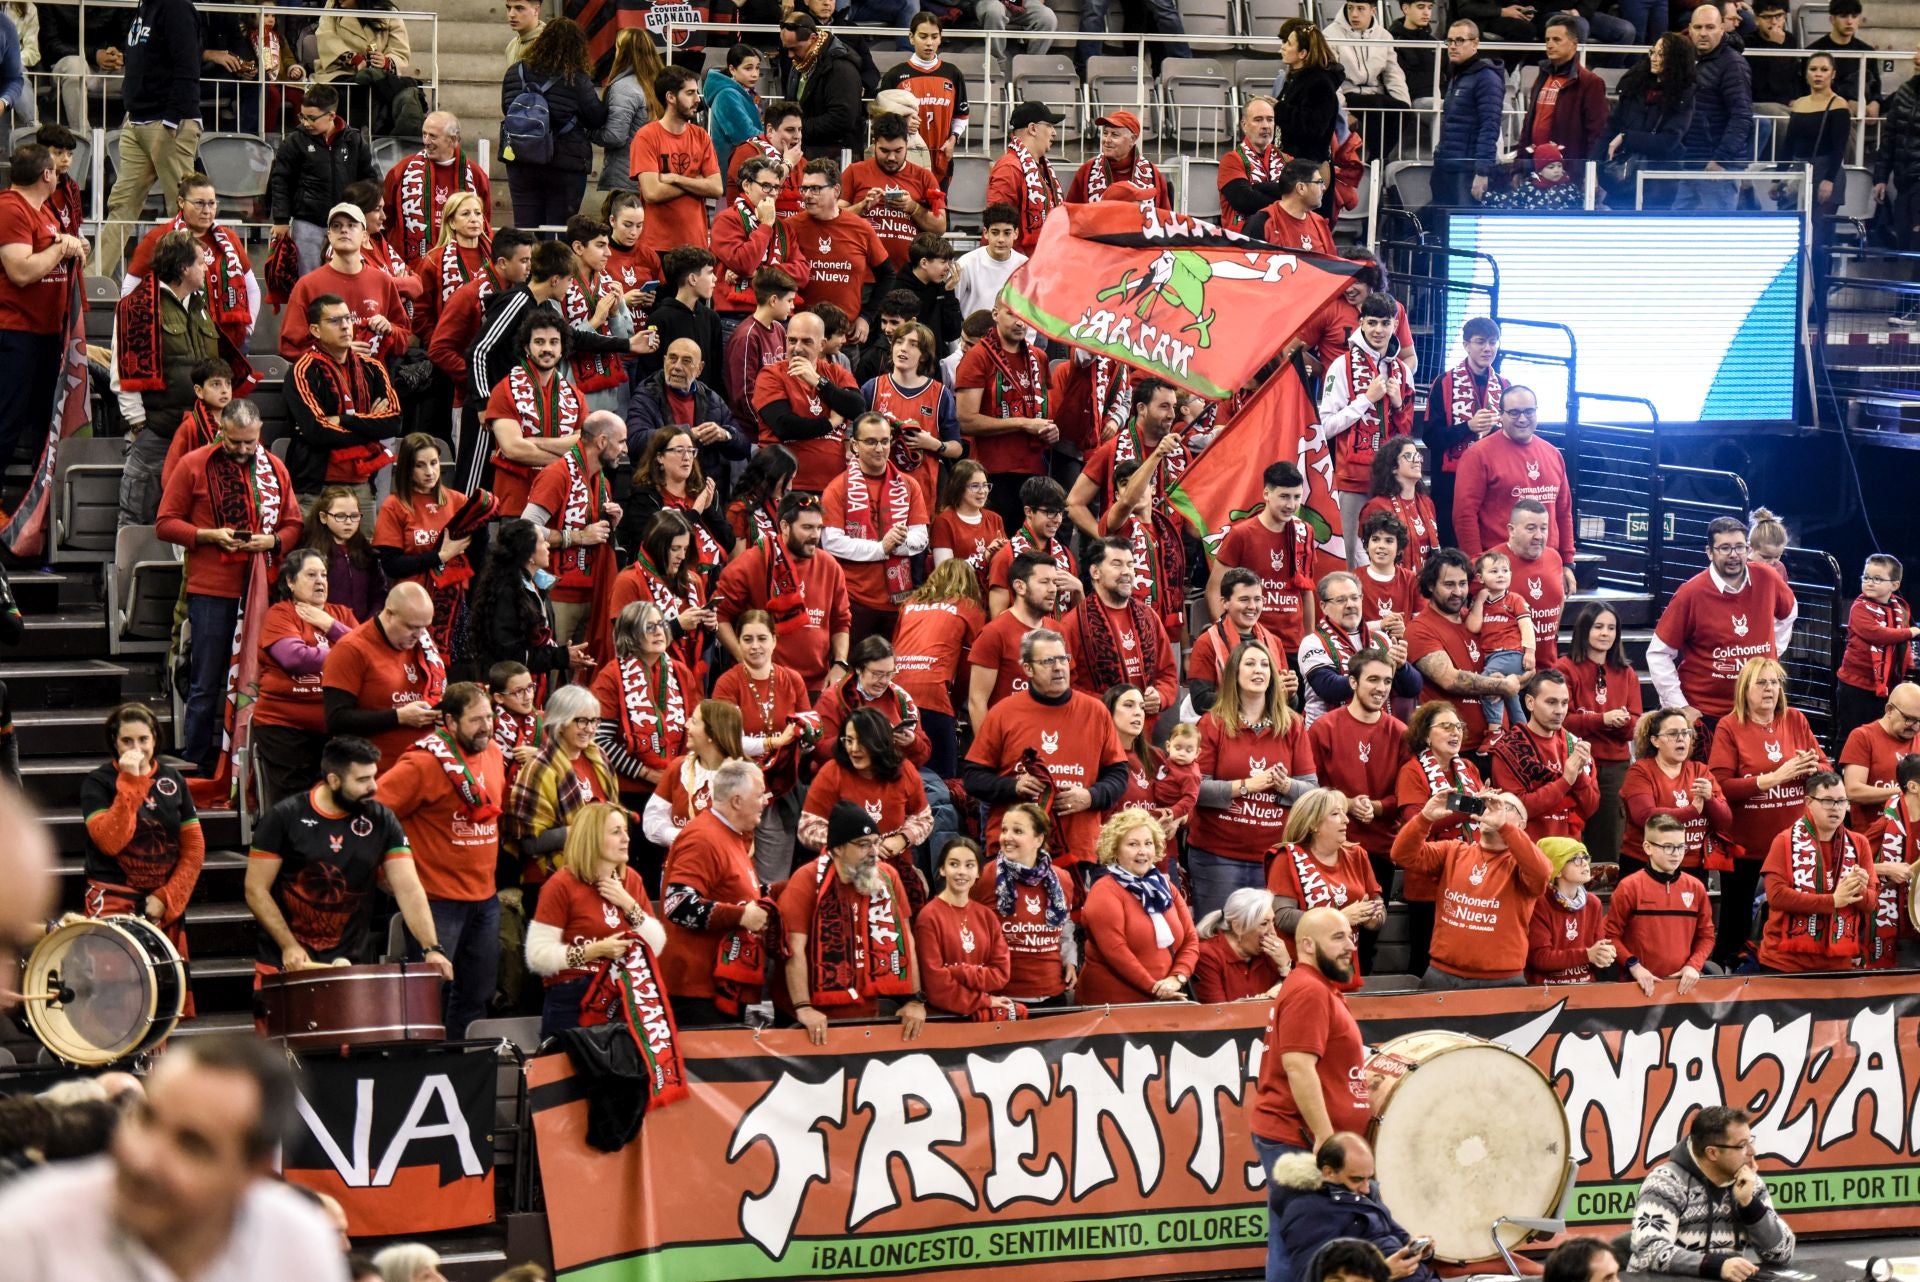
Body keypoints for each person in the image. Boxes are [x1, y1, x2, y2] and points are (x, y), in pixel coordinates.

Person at [0, 1037, 348, 1280]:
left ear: (252, 1173)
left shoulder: (298, 1245)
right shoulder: (28, 1233)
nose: (143, 1158)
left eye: (192, 1145)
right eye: (145, 1118)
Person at [155, 405, 304, 773]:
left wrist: (271, 542)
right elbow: (164, 523)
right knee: (207, 678)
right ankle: (197, 759)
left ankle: (247, 758)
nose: (241, 449)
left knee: (257, 677)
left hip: (263, 588)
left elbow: (293, 523)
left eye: (249, 442)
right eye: (234, 441)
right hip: (212, 590)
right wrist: (207, 536)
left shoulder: (274, 468)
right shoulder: (193, 464)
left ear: (261, 431)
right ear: (221, 429)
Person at [246, 735, 450, 981]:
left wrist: (432, 948)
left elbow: (408, 887)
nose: (374, 787)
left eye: (373, 776)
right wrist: (288, 945)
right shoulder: (284, 817)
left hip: (351, 965)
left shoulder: (382, 820)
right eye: (363, 780)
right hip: (286, 962)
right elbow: (255, 889)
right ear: (333, 780)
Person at [374, 682, 505, 1041]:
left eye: (490, 717)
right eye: (476, 720)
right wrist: (384, 869)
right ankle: (424, 1064)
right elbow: (373, 813)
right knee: (430, 996)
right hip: (435, 901)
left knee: (478, 992)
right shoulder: (421, 762)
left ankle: (463, 1062)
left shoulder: (493, 752)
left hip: (485, 897)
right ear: (449, 721)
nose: (487, 726)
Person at [1247, 906, 1367, 1282]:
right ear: (1308, 945)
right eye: (1339, 938)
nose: (1350, 946)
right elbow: (1298, 1067)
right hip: (1297, 1138)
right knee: (1307, 1246)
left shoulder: (1317, 987)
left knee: (1297, 1241)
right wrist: (1325, 1137)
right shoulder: (1309, 991)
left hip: (1296, 1135)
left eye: (1350, 936)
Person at [964, 628, 1128, 871]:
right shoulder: (1003, 712)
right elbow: (972, 777)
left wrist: (1091, 796)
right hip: (1014, 851)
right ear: (1027, 669)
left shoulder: (1096, 711)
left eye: (1063, 659)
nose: (1059, 667)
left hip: (1078, 850)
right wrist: (1013, 786)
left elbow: (1119, 774)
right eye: (1048, 661)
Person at [79, 703, 204, 1010]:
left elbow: (194, 847)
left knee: (162, 1000)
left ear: (155, 740)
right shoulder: (97, 783)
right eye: (128, 741)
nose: (137, 748)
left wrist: (167, 897)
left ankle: (157, 1060)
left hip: (161, 905)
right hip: (114, 900)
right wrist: (131, 782)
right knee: (116, 1002)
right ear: (114, 742)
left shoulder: (172, 780)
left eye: (144, 740)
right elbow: (110, 840)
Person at [780, 800, 928, 1043]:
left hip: (872, 1013)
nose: (873, 852)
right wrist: (803, 1007)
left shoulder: (887, 876)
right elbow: (794, 949)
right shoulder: (806, 880)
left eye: (875, 843)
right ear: (837, 848)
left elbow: (906, 940)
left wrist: (914, 999)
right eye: (862, 845)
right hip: (818, 1020)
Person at [1191, 639, 1317, 919]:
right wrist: (1248, 785)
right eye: (1249, 663)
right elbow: (1195, 789)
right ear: (1234, 674)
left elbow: (1311, 791)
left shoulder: (1292, 724)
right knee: (1217, 939)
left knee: (1266, 942)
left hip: (1273, 858)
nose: (1258, 669)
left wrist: (1286, 786)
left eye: (1264, 664)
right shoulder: (1212, 723)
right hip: (1217, 856)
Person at [525, 800, 666, 1039]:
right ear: (591, 838)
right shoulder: (560, 885)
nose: (626, 838)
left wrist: (629, 904)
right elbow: (537, 957)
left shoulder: (631, 880)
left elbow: (657, 945)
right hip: (573, 997)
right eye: (615, 832)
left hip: (624, 993)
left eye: (625, 831)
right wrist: (595, 951)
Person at [1649, 518, 1798, 744]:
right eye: (1724, 548)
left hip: (1756, 712)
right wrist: (1681, 707)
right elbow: (1658, 653)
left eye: (1740, 547)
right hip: (1708, 717)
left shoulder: (1768, 578)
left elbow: (1789, 612)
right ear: (1709, 552)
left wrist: (1772, 653)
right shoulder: (1691, 593)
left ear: (1748, 549)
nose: (1734, 554)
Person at [113, 233, 221, 528]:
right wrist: (139, 425)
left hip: (202, 431)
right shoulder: (137, 306)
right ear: (184, 268)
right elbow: (122, 372)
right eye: (201, 263)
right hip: (158, 433)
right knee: (140, 516)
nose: (207, 269)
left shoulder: (201, 305)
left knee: (196, 519)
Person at [1394, 788, 1549, 988]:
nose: (1492, 810)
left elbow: (1541, 874)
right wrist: (1424, 818)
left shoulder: (1521, 864)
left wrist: (1504, 827)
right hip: (1442, 975)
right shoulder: (1454, 851)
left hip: (1500, 981)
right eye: (1487, 805)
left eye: (1506, 807)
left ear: (1522, 824)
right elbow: (1402, 855)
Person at [91, 0, 201, 276]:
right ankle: (93, 280)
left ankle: (197, 281)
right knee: (122, 203)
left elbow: (188, 65)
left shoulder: (175, 7)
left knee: (185, 208)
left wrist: (173, 118)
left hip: (168, 122)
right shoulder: (144, 7)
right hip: (137, 120)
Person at [657, 758, 770, 1025]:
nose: (765, 800)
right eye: (759, 794)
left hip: (720, 985)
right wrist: (740, 916)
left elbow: (735, 893)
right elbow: (677, 904)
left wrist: (786, 889)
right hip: (696, 993)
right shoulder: (702, 838)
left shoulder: (730, 834)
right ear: (737, 801)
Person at [0, 144, 87, 473]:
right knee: (6, 420)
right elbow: (20, 271)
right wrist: (61, 248)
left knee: (40, 422)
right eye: (56, 167)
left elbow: (56, 251)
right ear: (47, 174)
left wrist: (75, 247)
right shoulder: (10, 208)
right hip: (16, 332)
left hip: (47, 332)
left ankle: (32, 505)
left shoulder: (45, 210)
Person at [714, 492, 851, 696]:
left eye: (819, 528)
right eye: (807, 528)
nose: (815, 535)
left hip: (816, 686)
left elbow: (841, 621)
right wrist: (745, 661)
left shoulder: (829, 566)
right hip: (764, 682)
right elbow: (718, 615)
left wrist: (840, 663)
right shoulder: (752, 562)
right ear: (785, 527)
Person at [1629, 1106, 1796, 1275]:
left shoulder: (1748, 1183)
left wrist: (1750, 1205)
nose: (1753, 1151)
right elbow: (1650, 1252)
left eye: (1751, 1141)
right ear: (1712, 1153)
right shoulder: (1665, 1182)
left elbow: (1781, 1255)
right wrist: (1717, 1266)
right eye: (1742, 1145)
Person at [712, 610, 813, 883]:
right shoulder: (728, 682)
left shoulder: (792, 680)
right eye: (747, 639)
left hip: (780, 791)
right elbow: (726, 740)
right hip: (736, 791)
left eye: (761, 638)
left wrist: (807, 737)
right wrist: (775, 742)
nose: (755, 646)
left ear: (774, 641)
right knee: (735, 879)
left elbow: (808, 731)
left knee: (773, 881)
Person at [252, 548, 359, 806]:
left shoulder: (342, 614)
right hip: (285, 724)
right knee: (297, 804)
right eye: (311, 575)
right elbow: (295, 659)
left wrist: (330, 625)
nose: (320, 580)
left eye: (323, 574)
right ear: (290, 581)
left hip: (334, 724)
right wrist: (342, 653)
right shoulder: (281, 613)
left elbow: (368, 653)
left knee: (342, 797)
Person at [590, 601, 697, 854]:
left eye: (660, 624)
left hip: (675, 788)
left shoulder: (681, 672)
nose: (659, 632)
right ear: (629, 634)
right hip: (628, 793)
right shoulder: (610, 675)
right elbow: (599, 741)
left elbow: (695, 728)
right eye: (649, 627)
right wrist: (646, 773)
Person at [1308, 650, 1411, 900]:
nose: (1381, 688)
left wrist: (1376, 807)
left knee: (1370, 934)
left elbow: (1406, 795)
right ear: (1353, 682)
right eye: (1373, 679)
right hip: (1332, 848)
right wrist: (1346, 804)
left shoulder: (1401, 733)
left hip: (1380, 851)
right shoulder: (1324, 728)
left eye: (1387, 681)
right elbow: (1309, 791)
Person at [285, 293, 403, 511]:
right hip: (317, 487)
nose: (345, 326)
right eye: (334, 321)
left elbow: (393, 422)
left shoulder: (373, 367)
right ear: (315, 330)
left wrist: (342, 420)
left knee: (365, 545)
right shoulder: (302, 370)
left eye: (348, 319)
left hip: (363, 484)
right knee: (316, 546)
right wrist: (369, 426)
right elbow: (316, 431)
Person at [316, 581, 449, 773]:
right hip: (374, 775)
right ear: (389, 614)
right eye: (412, 627)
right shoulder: (351, 650)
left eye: (424, 627)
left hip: (422, 768)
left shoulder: (423, 645)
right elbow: (336, 720)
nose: (418, 634)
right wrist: (398, 717)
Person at [820, 412, 929, 639]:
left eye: (885, 441)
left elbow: (921, 536)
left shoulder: (909, 485)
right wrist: (880, 549)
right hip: (852, 599)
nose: (879, 449)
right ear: (854, 446)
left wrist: (896, 544)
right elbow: (831, 542)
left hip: (899, 598)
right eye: (871, 442)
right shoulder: (837, 488)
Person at [1273, 1134, 1436, 1282]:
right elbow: (1310, 1276)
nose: (1366, 1187)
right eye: (1357, 1179)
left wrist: (1421, 1250)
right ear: (1329, 1172)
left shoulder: (1365, 1192)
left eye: (1369, 1178)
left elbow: (1399, 1236)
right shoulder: (1307, 1211)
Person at [1075, 810, 1199, 1005]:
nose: (1143, 851)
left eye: (1148, 843)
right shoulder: (1104, 891)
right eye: (1133, 844)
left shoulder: (1166, 886)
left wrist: (1178, 977)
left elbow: (1191, 939)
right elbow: (1116, 953)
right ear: (1115, 850)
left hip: (1164, 999)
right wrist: (1155, 988)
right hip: (1112, 1009)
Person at [522, 409, 623, 647]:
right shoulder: (556, 475)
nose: (625, 449)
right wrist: (576, 537)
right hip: (558, 594)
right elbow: (525, 527)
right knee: (556, 676)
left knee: (582, 676)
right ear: (602, 442)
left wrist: (612, 525)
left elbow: (593, 533)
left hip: (594, 591)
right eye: (621, 441)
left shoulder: (602, 482)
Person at [1758, 770, 1876, 973]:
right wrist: (1832, 901)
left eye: (1841, 801)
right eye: (1828, 801)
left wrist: (1859, 890)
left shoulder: (1859, 843)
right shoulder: (1785, 840)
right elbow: (1776, 896)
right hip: (1785, 962)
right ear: (1808, 801)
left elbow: (1871, 903)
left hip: (1838, 963)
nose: (1836, 808)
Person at [505, 685, 619, 888]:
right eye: (582, 721)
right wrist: (588, 829)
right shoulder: (539, 767)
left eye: (594, 721)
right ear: (560, 722)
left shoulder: (599, 757)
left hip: (598, 874)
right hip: (550, 880)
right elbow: (530, 843)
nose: (590, 729)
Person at [501, 19, 609, 229]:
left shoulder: (515, 72)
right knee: (558, 232)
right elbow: (596, 117)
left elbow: (508, 109)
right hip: (565, 164)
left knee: (525, 230)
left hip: (520, 159)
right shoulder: (575, 78)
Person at [1556, 602, 1641, 867]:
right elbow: (1562, 721)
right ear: (1584, 630)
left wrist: (1622, 723)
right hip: (1572, 763)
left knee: (1608, 836)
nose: (1605, 633)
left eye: (1611, 628)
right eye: (1598, 627)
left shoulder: (1626, 673)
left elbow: (1635, 723)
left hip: (1614, 765)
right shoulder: (1565, 668)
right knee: (1571, 836)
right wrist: (1602, 719)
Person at [1267, 787, 1385, 976]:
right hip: (1303, 966)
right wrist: (1339, 918)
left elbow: (1377, 903)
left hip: (1345, 964)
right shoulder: (1287, 858)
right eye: (1336, 814)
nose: (1346, 820)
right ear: (1314, 823)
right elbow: (1283, 916)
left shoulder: (1358, 854)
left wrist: (1373, 918)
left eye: (1344, 813)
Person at [278, 203, 412, 368]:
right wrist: (335, 353)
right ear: (329, 235)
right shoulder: (307, 285)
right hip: (326, 385)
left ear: (364, 236)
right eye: (336, 226)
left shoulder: (383, 281)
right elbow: (289, 347)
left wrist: (389, 329)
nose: (343, 230)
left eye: (351, 225)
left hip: (373, 383)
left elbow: (404, 339)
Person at [264, 86, 377, 280]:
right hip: (308, 222)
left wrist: (368, 215)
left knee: (347, 279)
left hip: (346, 224)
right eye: (302, 116)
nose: (305, 122)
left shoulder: (354, 140)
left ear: (331, 115)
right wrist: (281, 220)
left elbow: (369, 179)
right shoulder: (294, 142)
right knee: (309, 280)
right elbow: (280, 181)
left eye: (311, 118)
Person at [750, 309, 867, 495]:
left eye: (806, 341)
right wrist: (830, 423)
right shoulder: (771, 375)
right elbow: (785, 426)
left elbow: (858, 407)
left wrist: (819, 382)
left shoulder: (835, 372)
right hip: (784, 487)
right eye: (792, 340)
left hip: (833, 488)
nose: (797, 348)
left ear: (822, 345)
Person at [1208, 462, 1319, 658]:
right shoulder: (1241, 534)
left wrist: (1309, 642)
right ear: (1266, 494)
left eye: (1296, 497)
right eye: (1284, 496)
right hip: (1252, 644)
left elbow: (1306, 592)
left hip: (1293, 646)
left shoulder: (1304, 531)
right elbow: (1214, 589)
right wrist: (1228, 639)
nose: (1291, 505)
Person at [1407, 549, 1514, 752]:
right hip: (1456, 750)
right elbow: (1450, 679)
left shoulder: (1476, 618)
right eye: (1449, 584)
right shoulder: (1419, 629)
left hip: (1499, 743)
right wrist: (1501, 685)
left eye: (1463, 583)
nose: (1458, 592)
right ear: (1431, 585)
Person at [1452, 386, 1574, 564]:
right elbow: (1464, 515)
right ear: (1501, 416)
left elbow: (1564, 512)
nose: (1523, 419)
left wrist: (1568, 562)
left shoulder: (1553, 454)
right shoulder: (1478, 455)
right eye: (1514, 412)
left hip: (1548, 563)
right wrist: (1476, 565)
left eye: (1529, 411)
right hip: (1499, 568)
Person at [1060, 537, 1178, 711]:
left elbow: (1168, 673)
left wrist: (1160, 696)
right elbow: (1066, 685)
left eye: (1130, 565)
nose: (1127, 572)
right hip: (1098, 727)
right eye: (1117, 564)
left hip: (1145, 731)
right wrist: (1109, 704)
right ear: (1095, 572)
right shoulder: (1072, 624)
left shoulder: (1149, 616)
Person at [1602, 813, 1715, 995]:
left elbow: (1707, 935)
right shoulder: (1629, 887)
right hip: (1637, 986)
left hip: (1682, 987)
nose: (1676, 854)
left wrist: (1694, 966)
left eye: (1680, 847)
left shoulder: (1696, 887)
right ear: (1648, 847)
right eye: (1668, 847)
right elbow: (1610, 935)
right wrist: (1634, 966)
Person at [1420, 316, 1506, 546]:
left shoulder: (1505, 386)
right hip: (1451, 484)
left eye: (1493, 342)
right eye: (1480, 342)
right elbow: (1430, 438)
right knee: (1454, 552)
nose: (1488, 348)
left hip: (1493, 481)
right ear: (1466, 345)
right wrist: (1468, 427)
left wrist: (1495, 428)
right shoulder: (1444, 383)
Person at [1489, 670, 1600, 842]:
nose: (1559, 711)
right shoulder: (1508, 749)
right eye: (1551, 702)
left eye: (1564, 703)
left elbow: (1590, 808)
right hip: (1529, 855)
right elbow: (1515, 809)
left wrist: (1579, 777)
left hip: (1570, 855)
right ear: (1530, 702)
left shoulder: (1575, 745)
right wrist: (1566, 781)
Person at [1623, 707, 1733, 876]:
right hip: (1646, 864)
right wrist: (1692, 811)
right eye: (1673, 733)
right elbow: (1645, 816)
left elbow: (1725, 821)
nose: (1681, 738)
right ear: (1655, 740)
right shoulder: (1640, 771)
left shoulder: (1701, 771)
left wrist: (1710, 799)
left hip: (1692, 865)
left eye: (1685, 733)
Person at [914, 838, 1016, 1020]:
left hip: (980, 1020)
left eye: (969, 865)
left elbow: (1000, 974)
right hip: (942, 1021)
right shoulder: (928, 917)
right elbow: (935, 985)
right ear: (942, 869)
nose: (961, 872)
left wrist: (958, 971)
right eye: (954, 864)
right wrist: (983, 1000)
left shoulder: (987, 916)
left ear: (978, 872)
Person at [1299, 573, 1417, 726]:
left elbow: (1412, 688)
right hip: (1327, 735)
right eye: (1341, 600)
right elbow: (1329, 687)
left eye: (1355, 598)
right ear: (1324, 607)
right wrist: (1375, 675)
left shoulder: (1381, 639)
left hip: (1377, 732)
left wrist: (1402, 668)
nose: (1350, 605)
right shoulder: (1313, 642)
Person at [841, 114, 947, 276]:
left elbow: (940, 227)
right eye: (884, 151)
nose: (891, 157)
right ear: (875, 144)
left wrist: (913, 208)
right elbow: (833, 218)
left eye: (898, 151)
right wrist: (861, 207)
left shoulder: (924, 177)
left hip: (906, 275)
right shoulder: (854, 172)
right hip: (862, 274)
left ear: (907, 144)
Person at [382, 112, 490, 269]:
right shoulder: (402, 170)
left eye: (432, 136)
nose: (426, 141)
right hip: (410, 268)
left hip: (460, 270)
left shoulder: (475, 175)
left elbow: (484, 219)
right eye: (424, 134)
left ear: (453, 140)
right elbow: (386, 216)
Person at [1602, 33, 1700, 204]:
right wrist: (1595, 166)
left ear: (1676, 59)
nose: (1654, 58)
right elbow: (1612, 126)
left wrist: (1627, 138)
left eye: (1661, 55)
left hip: (1658, 184)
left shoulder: (1684, 94)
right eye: (1653, 52)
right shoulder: (1635, 84)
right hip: (1623, 178)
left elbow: (1668, 141)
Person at [1674, 4, 1753, 211]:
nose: (1703, 33)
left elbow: (1742, 116)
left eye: (1710, 27)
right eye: (1698, 27)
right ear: (1689, 29)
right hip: (1690, 161)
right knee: (1679, 232)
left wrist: (1721, 160)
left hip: (1717, 166)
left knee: (1715, 233)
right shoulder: (1687, 60)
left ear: (1721, 29)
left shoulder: (1733, 64)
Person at [880, 15, 971, 185]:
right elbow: (879, 119)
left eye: (934, 37)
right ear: (911, 38)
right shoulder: (894, 76)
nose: (929, 43)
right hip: (904, 160)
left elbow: (962, 115)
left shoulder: (953, 74)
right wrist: (902, 122)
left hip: (941, 159)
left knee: (939, 209)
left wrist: (953, 140)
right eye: (923, 37)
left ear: (940, 39)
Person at [1836, 558, 1919, 738]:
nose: (1869, 582)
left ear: (1895, 585)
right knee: (1851, 734)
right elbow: (1878, 634)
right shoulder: (1859, 607)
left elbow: (1903, 646)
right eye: (1866, 577)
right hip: (1856, 685)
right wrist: (1910, 632)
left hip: (1886, 686)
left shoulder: (1900, 608)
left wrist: (1909, 668)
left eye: (1877, 579)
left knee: (1880, 736)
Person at [1518, 16, 1610, 172]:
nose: (1550, 45)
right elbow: (1527, 126)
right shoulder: (1542, 76)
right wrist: (1519, 168)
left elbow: (1596, 134)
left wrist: (1591, 173)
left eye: (1556, 40)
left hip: (1567, 171)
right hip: (1534, 169)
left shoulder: (1590, 82)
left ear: (1574, 44)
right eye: (1547, 40)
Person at [1326, 0, 1412, 166]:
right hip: (1347, 93)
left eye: (1360, 9)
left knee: (1402, 111)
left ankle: (1377, 159)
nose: (1354, 14)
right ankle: (1377, 163)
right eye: (1350, 8)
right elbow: (1330, 79)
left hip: (1374, 93)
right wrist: (1343, 111)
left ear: (1373, 10)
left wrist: (1404, 104)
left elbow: (1393, 73)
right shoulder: (1330, 34)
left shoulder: (1384, 36)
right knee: (1377, 107)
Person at [1433, 21, 1505, 208]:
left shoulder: (1486, 78)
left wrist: (1482, 171)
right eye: (1449, 41)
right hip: (1447, 167)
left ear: (1475, 43)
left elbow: (1490, 126)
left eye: (1459, 40)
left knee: (1464, 228)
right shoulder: (1459, 75)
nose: (1453, 46)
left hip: (1467, 171)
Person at [775, 12, 865, 162]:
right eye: (787, 49)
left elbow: (841, 119)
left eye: (795, 49)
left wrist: (795, 128)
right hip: (808, 153)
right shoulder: (800, 63)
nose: (790, 55)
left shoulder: (841, 68)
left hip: (836, 158)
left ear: (813, 39)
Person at [985, 476, 1080, 617]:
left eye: (1061, 512)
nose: (1058, 519)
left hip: (1063, 637)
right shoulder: (1006, 556)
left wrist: (1079, 589)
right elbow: (997, 618)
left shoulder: (1065, 555)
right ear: (1028, 511)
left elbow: (1079, 620)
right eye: (1051, 512)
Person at [1526, 836, 1611, 985]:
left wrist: (1604, 956)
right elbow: (1540, 958)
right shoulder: (1540, 903)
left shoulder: (1593, 903)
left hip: (1585, 987)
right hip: (1546, 991)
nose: (1584, 863)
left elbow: (1597, 950)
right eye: (1576, 859)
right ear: (1557, 870)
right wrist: (1587, 955)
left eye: (1585, 857)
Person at [987, 102, 1064, 260]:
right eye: (1049, 126)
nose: (1054, 132)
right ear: (1033, 129)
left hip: (1040, 262)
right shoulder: (1009, 168)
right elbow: (997, 224)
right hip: (1017, 268)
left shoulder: (1041, 168)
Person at [1840, 683, 1920, 836]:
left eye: (1919, 721)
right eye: (1909, 719)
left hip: (1912, 838)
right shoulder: (1863, 737)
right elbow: (1853, 791)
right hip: (1873, 840)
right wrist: (1905, 792)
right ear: (1889, 710)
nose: (1915, 727)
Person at [300, 486, 385, 623]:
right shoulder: (308, 554)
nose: (349, 522)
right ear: (323, 517)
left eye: (354, 516)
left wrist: (369, 624)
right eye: (340, 516)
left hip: (363, 630)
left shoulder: (367, 553)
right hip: (324, 629)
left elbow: (379, 596)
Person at [1192, 887, 1287, 1003]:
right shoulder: (1208, 955)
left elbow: (1298, 1003)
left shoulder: (1271, 954)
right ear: (1238, 927)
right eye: (1264, 923)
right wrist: (1263, 1000)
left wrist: (1286, 966)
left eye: (1273, 922)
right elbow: (1218, 1014)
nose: (1273, 932)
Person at [1359, 436, 1438, 574]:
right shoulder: (1377, 506)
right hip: (1392, 583)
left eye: (1417, 455)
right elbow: (1365, 553)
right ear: (1393, 467)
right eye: (1408, 455)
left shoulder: (1427, 503)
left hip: (1425, 584)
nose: (1416, 460)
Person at [1066, 111, 1171, 208]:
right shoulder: (1087, 170)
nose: (1107, 140)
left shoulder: (1152, 173)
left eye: (1115, 135)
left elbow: (1164, 219)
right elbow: (1071, 215)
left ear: (1133, 139)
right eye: (1105, 133)